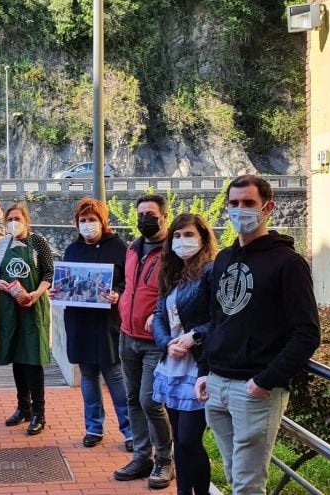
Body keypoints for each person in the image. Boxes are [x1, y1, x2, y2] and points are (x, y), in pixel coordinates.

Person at [193, 175, 321, 495]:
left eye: (248, 203)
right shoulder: (223, 259)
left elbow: (307, 332)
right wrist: (204, 370)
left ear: (268, 208)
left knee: (249, 484)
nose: (240, 210)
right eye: (234, 204)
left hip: (254, 390)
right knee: (234, 475)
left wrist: (266, 380)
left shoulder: (288, 264)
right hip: (218, 384)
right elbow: (218, 319)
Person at [54, 198, 132, 450]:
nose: (87, 225)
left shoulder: (118, 247)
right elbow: (65, 282)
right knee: (88, 375)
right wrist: (58, 291)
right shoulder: (72, 250)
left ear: (102, 221)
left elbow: (128, 282)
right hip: (80, 321)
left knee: (115, 375)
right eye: (83, 221)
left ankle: (130, 431)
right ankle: (94, 428)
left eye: (92, 220)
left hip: (108, 321)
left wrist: (117, 294)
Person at [151, 213, 218, 495]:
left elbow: (220, 317)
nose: (182, 241)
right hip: (172, 365)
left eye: (189, 235)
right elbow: (158, 314)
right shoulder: (171, 271)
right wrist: (167, 343)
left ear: (203, 238)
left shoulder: (211, 271)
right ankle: (182, 492)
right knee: (179, 439)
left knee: (190, 440)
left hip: (198, 367)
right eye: (176, 236)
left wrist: (193, 337)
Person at [114, 194, 175, 489]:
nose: (144, 219)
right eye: (140, 214)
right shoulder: (133, 249)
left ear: (164, 216)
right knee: (132, 399)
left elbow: (177, 293)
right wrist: (121, 300)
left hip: (154, 340)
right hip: (127, 335)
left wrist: (160, 316)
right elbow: (130, 286)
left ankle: (165, 459)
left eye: (150, 214)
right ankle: (142, 457)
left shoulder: (172, 252)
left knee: (150, 401)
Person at [0, 202, 54, 436]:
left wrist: (36, 294)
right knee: (17, 356)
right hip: (9, 307)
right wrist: (0, 284)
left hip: (32, 306)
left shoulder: (38, 243)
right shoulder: (2, 243)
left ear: (27, 220)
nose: (14, 223)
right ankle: (22, 407)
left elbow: (48, 273)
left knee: (33, 359)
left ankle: (39, 412)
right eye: (9, 219)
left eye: (18, 218)